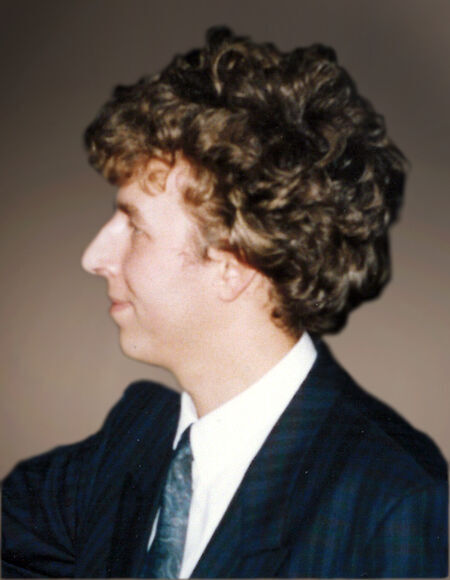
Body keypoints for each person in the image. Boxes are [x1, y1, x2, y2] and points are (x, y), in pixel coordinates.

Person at [2, 27, 447, 578]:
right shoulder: (134, 437)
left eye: (135, 227)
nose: (94, 256)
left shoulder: (394, 504)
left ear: (235, 265)